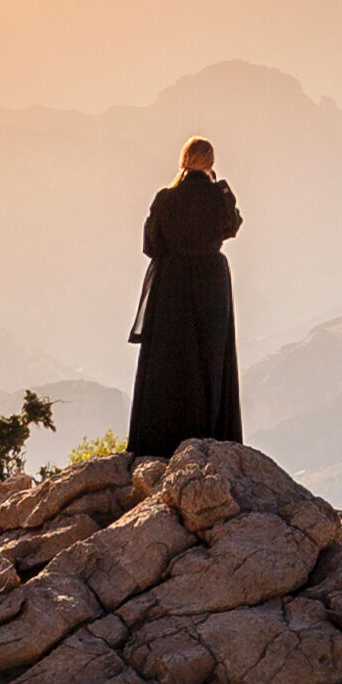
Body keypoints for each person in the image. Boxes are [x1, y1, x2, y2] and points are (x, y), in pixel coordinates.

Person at [127, 136, 242, 459]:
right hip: (211, 283)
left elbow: (151, 245)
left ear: (183, 160)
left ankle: (161, 441)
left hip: (172, 285)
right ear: (210, 163)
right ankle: (211, 437)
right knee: (211, 357)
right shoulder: (219, 197)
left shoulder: (166, 199)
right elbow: (231, 227)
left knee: (170, 358)